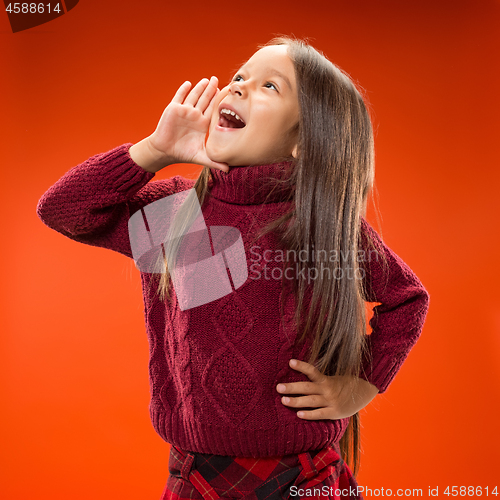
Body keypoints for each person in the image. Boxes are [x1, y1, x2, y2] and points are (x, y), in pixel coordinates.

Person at [36, 36, 430, 499]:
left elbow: (408, 298)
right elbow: (63, 210)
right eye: (240, 76)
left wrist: (363, 385)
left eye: (270, 86)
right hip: (196, 476)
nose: (238, 87)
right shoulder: (176, 213)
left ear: (303, 141)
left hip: (304, 476)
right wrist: (155, 150)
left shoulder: (320, 225)